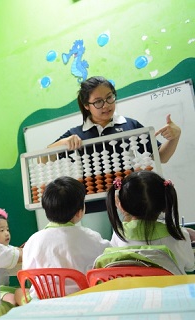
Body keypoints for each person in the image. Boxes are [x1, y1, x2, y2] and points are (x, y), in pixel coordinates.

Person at [48, 76, 182, 237]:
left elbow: (161, 157)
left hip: (129, 202)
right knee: (99, 249)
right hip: (94, 204)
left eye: (109, 97)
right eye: (98, 101)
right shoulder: (76, 134)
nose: (106, 105)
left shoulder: (130, 126)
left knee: (132, 244)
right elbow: (44, 158)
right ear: (86, 105)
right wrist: (62, 143)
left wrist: (175, 137)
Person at [22, 177, 111, 299]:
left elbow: (27, 273)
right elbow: (108, 260)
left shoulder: (33, 240)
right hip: (83, 302)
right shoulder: (92, 237)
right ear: (79, 212)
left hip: (43, 305)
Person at [106, 171, 194, 274]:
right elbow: (190, 266)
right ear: (166, 203)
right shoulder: (180, 235)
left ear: (121, 206)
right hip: (173, 288)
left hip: (135, 289)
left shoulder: (119, 235)